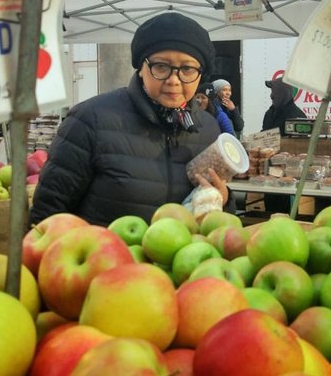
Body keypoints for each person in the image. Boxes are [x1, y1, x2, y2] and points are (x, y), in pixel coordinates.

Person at [29, 12, 236, 227]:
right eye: (161, 66)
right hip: (105, 258)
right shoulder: (90, 120)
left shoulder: (208, 128)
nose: (174, 80)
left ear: (201, 74)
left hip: (184, 258)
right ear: (141, 67)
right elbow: (46, 217)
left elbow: (216, 210)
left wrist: (225, 199)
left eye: (187, 69)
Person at [262, 76, 307, 214]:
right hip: (269, 172)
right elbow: (263, 136)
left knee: (286, 211)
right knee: (270, 207)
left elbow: (301, 148)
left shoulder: (297, 116)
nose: (271, 95)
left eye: (274, 91)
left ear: (283, 92)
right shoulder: (269, 113)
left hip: (288, 175)